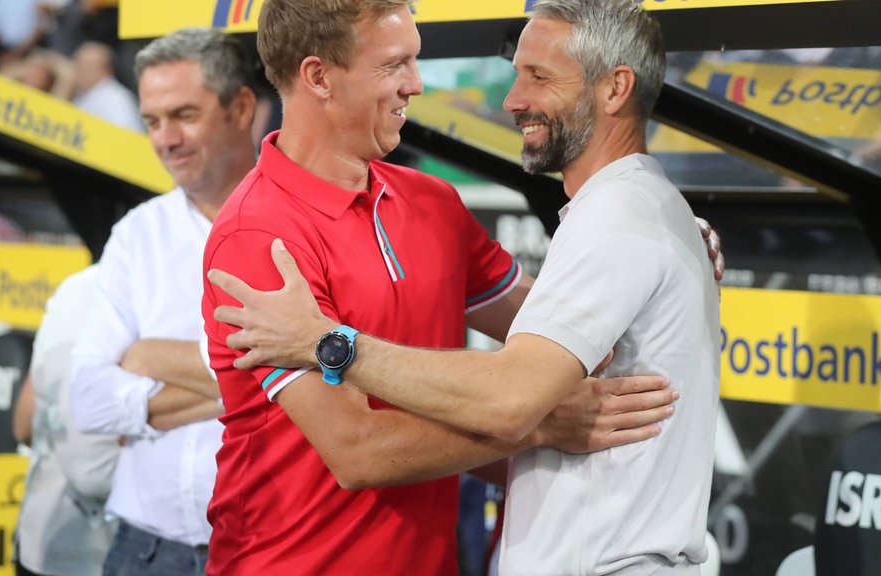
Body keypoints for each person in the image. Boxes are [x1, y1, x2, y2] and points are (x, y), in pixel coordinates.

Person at [200, 0, 721, 574]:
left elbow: (570, 328)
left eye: (415, 63)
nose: (416, 85)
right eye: (395, 65)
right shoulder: (257, 235)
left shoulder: (433, 206)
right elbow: (357, 450)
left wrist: (657, 251)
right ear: (319, 76)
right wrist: (541, 422)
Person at [70, 27, 257, 576]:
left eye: (184, 115)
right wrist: (259, 382)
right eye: (152, 121)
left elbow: (328, 380)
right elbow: (88, 400)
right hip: (144, 551)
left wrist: (149, 358)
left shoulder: (303, 224)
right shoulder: (136, 234)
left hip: (266, 552)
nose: (165, 138)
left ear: (242, 106)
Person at [14, 266, 121, 576]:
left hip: (41, 544)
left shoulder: (75, 289)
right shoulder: (169, 296)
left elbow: (23, 423)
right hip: (102, 550)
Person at [71, 41, 144, 132]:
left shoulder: (117, 99)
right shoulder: (83, 93)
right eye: (77, 66)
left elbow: (129, 136)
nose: (78, 72)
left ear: (105, 69)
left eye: (85, 67)